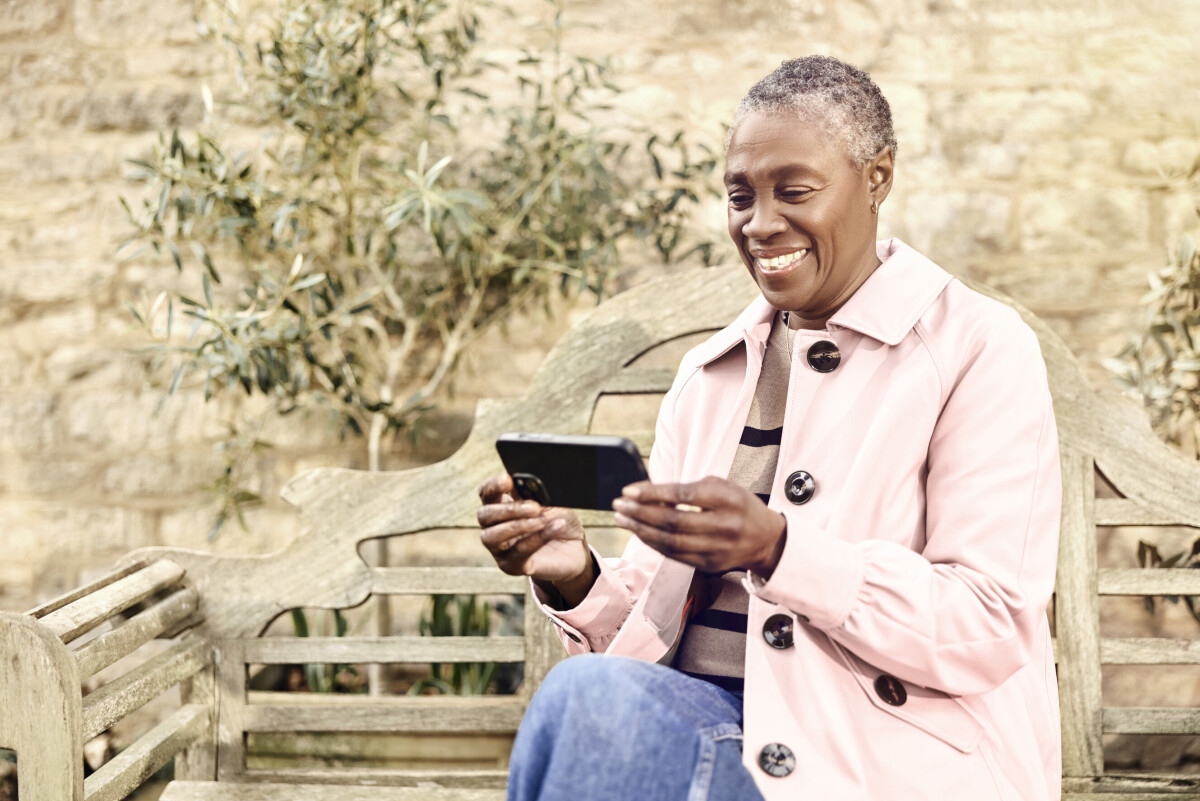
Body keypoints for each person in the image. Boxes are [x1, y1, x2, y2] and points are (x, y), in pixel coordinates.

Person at [477, 55, 1062, 801]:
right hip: (710, 740)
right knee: (586, 695)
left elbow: (988, 623)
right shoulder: (711, 374)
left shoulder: (978, 347)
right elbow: (662, 619)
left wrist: (780, 548)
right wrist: (574, 574)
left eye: (794, 191)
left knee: (591, 701)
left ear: (877, 176)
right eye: (739, 195)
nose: (759, 223)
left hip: (880, 764)